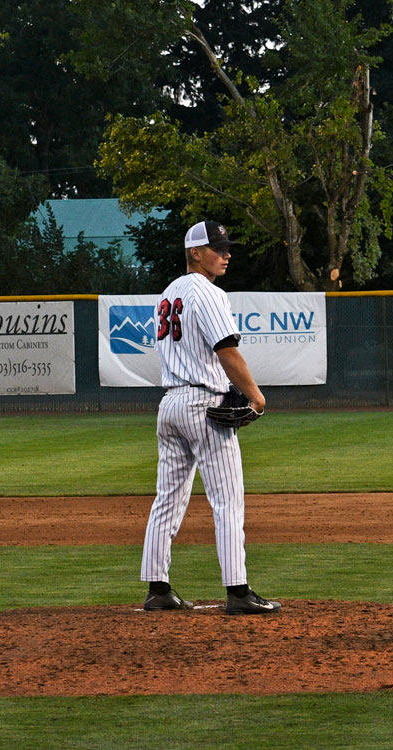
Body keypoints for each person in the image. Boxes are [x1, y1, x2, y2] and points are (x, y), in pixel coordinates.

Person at [141, 220, 282, 615]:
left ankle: (158, 588)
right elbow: (226, 350)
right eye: (217, 248)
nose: (226, 254)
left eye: (226, 248)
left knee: (167, 499)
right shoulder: (208, 293)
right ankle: (238, 592)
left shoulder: (168, 294)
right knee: (228, 500)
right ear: (195, 253)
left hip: (170, 404)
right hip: (202, 404)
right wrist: (255, 397)